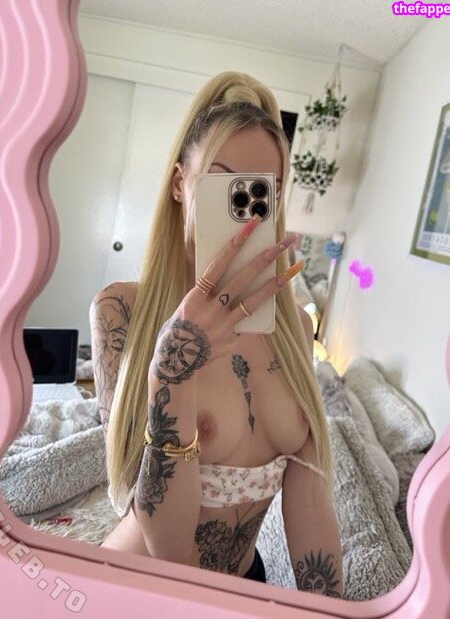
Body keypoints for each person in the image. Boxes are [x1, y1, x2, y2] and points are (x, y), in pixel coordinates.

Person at [89, 71, 343, 597]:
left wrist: (329, 607)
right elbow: (166, 545)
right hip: (140, 586)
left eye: (260, 192)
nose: (243, 214)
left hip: (246, 583)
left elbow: (309, 497)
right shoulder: (123, 311)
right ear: (179, 184)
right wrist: (171, 372)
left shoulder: (295, 329)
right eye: (222, 183)